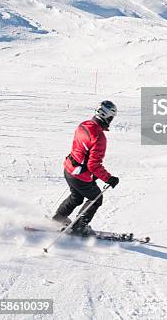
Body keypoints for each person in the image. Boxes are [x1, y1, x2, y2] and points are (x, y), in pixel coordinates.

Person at [52, 100, 120, 236]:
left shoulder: (84, 125)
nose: (111, 120)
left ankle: (58, 219)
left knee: (76, 197)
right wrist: (109, 178)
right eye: (111, 118)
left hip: (69, 169)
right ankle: (79, 227)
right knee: (96, 198)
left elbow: (82, 151)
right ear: (106, 116)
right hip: (79, 176)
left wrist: (92, 173)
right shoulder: (99, 137)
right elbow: (93, 165)